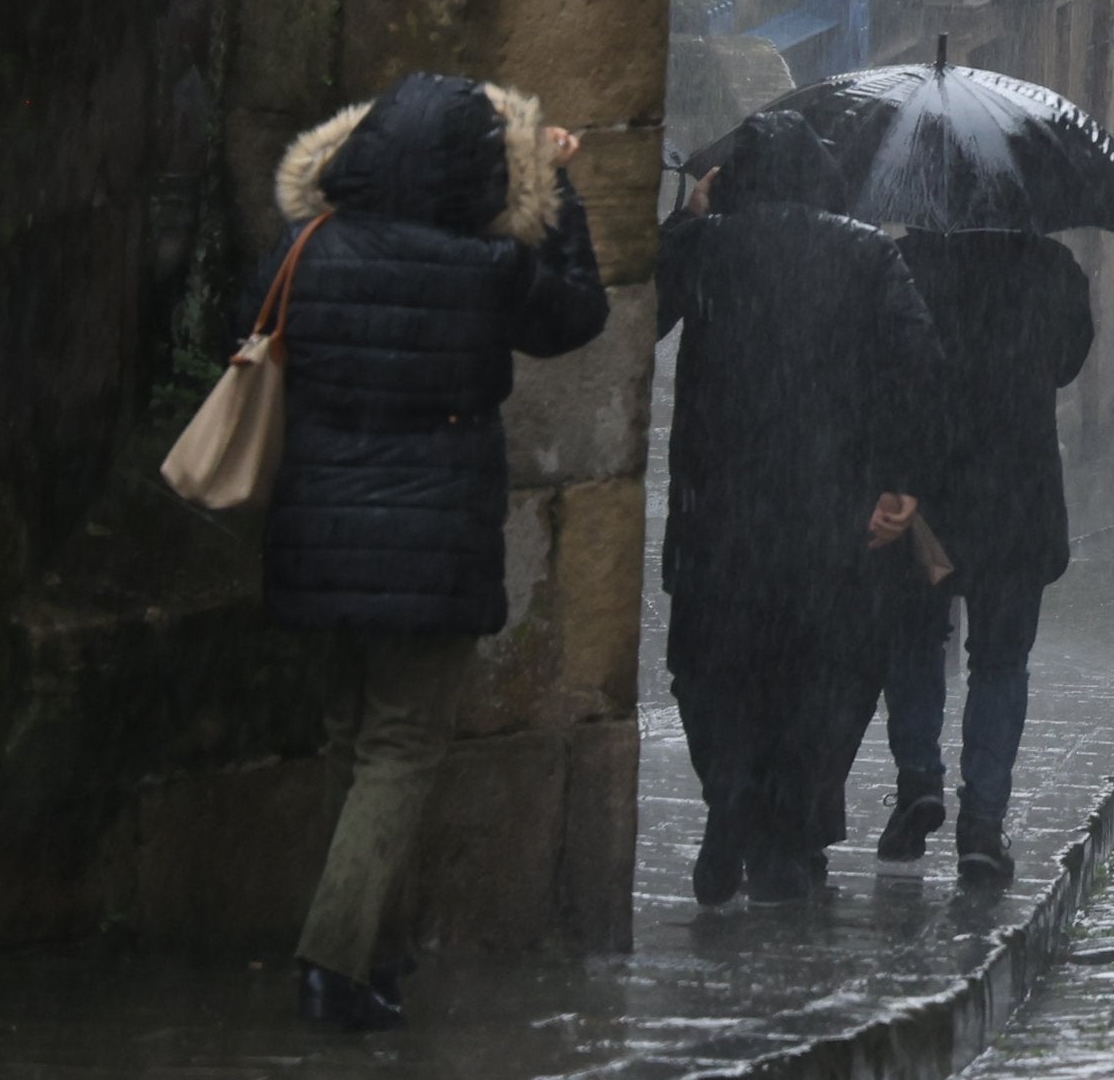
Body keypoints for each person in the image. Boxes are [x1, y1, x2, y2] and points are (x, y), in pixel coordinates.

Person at [256, 74, 609, 1030]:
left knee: (352, 739)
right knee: (403, 745)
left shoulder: (308, 248)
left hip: (316, 535)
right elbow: (578, 315)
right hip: (429, 540)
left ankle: (375, 954)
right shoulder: (483, 270)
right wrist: (558, 191)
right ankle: (333, 960)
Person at [660, 109, 943, 909]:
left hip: (718, 517)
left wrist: (687, 221)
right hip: (831, 519)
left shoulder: (711, 249)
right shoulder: (868, 255)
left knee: (711, 669)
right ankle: (784, 835)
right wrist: (901, 480)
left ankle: (730, 799)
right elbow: (919, 370)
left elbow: (636, 312)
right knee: (820, 676)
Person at [887, 219, 1095, 886]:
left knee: (915, 638)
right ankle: (982, 824)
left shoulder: (908, 260)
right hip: (1017, 493)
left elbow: (883, 357)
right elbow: (1066, 362)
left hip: (931, 490)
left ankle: (919, 774)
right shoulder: (1053, 267)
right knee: (1001, 659)